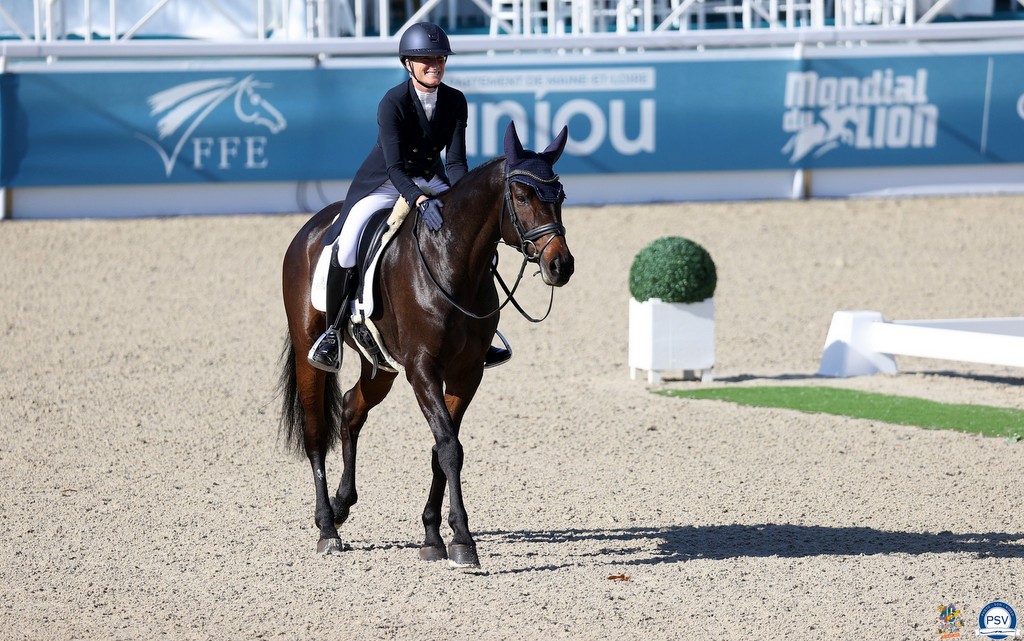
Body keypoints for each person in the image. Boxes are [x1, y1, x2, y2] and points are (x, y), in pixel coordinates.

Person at [309, 22, 512, 373]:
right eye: (425, 59)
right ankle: (331, 331)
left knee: (474, 238)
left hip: (434, 181)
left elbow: (456, 161)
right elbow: (394, 167)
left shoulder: (455, 101)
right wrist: (418, 200)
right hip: (385, 183)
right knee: (349, 244)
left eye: (439, 58)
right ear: (408, 64)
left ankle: (480, 328)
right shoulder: (393, 102)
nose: (434, 64)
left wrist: (461, 201)